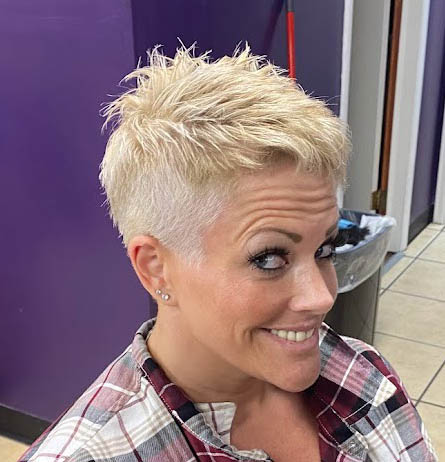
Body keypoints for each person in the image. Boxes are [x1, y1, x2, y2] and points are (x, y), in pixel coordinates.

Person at [19, 45, 437, 462]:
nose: (322, 297)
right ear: (156, 268)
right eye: (269, 259)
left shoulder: (363, 376)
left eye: (325, 249)